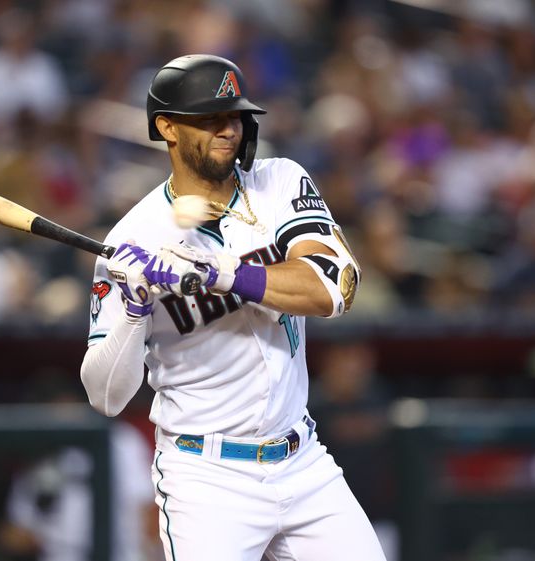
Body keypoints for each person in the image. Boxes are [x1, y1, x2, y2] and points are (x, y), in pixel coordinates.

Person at [79, 54, 386, 561]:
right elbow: (105, 396)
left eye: (236, 116)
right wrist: (134, 311)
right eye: (211, 118)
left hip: (302, 460)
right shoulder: (132, 239)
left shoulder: (279, 182)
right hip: (207, 478)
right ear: (168, 128)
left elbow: (337, 286)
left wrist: (223, 273)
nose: (230, 129)